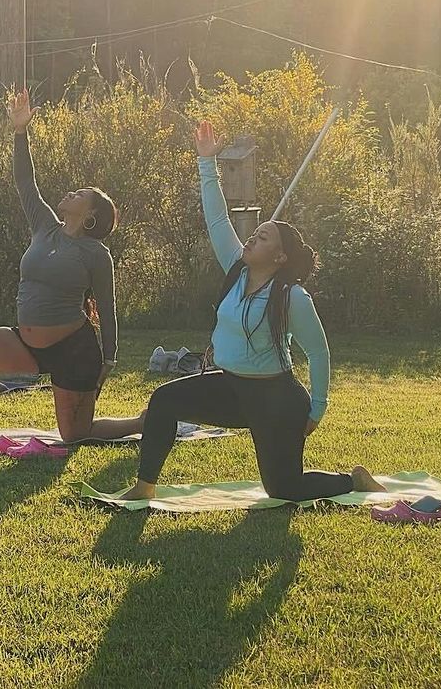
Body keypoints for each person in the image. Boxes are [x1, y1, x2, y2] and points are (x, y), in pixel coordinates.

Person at [118, 120, 384, 501]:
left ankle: (353, 480)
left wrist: (318, 408)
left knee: (284, 489)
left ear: (278, 257)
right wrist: (206, 162)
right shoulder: (236, 268)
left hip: (277, 399)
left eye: (262, 237)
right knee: (164, 400)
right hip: (230, 388)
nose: (251, 237)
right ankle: (144, 487)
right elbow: (217, 219)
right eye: (254, 234)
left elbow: (318, 352)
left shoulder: (292, 297)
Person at [0, 88, 143, 446]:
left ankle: (141, 421)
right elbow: (26, 184)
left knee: (75, 436)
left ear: (92, 216)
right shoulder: (45, 226)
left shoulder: (95, 254)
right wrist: (20, 132)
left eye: (80, 195)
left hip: (74, 350)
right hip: (26, 342)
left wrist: (107, 364)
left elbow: (108, 312)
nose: (70, 194)